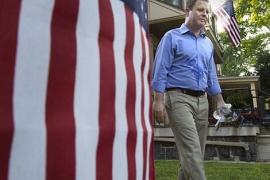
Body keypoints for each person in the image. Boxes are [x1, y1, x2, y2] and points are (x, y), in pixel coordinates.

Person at [151, 0, 226, 179]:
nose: (204, 14)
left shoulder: (207, 43)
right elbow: (160, 70)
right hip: (178, 99)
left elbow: (211, 76)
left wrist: (220, 100)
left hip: (202, 101)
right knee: (192, 151)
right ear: (187, 11)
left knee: (193, 154)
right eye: (200, 10)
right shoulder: (171, 37)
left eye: (206, 12)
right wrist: (158, 100)